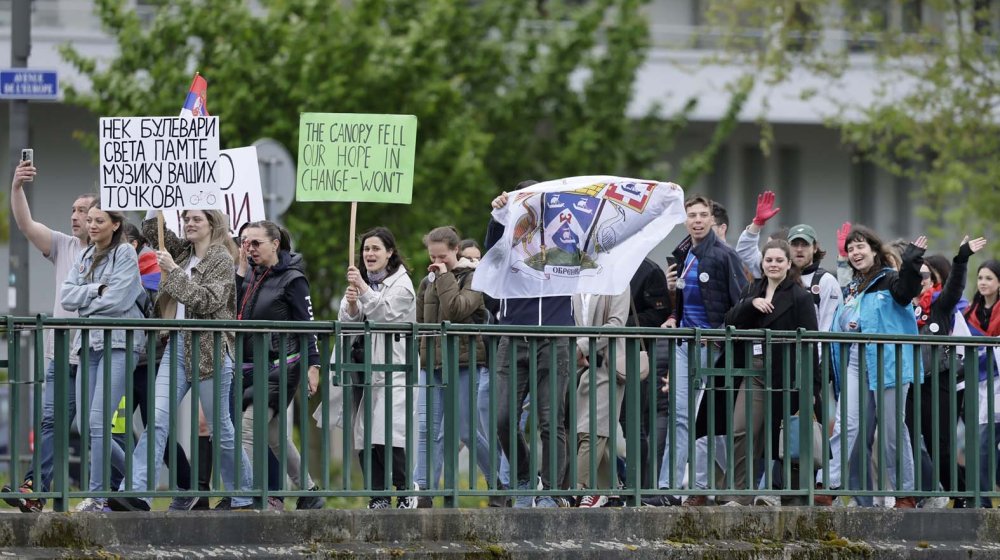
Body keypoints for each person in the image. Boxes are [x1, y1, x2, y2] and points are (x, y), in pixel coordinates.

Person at [108, 210, 252, 512]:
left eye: (196, 219)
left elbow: (207, 302)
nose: (188, 223)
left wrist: (173, 272)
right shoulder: (182, 252)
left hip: (210, 349)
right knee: (157, 420)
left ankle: (243, 495)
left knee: (220, 427)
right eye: (185, 218)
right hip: (176, 347)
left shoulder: (221, 259)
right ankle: (136, 492)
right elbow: (152, 227)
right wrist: (156, 202)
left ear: (212, 225)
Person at [2, 160, 95, 512]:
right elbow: (26, 225)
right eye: (72, 209)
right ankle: (36, 489)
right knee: (51, 421)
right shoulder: (62, 245)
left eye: (83, 210)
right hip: (62, 353)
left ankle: (123, 488)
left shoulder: (116, 254)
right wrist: (16, 188)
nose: (75, 216)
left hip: (99, 354)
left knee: (97, 428)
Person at [645, 195, 748, 507]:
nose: (698, 220)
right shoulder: (683, 253)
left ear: (713, 222)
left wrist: (718, 336)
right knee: (681, 417)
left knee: (708, 424)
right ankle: (670, 489)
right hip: (683, 344)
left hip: (712, 348)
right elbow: (684, 298)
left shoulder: (724, 255)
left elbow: (740, 303)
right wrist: (673, 317)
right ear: (685, 219)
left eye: (704, 215)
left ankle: (746, 484)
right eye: (692, 215)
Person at [814, 226, 925, 509]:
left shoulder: (889, 280)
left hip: (889, 359)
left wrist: (912, 260)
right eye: (851, 249)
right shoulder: (853, 286)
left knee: (891, 429)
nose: (855, 253)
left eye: (861, 246)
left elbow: (906, 291)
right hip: (856, 358)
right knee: (845, 424)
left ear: (874, 250)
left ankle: (904, 492)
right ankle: (828, 483)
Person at [712, 239, 822, 506]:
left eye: (779, 260)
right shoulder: (752, 289)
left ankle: (785, 494)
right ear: (762, 263)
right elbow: (729, 320)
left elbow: (810, 344)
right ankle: (736, 493)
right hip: (753, 371)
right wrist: (752, 304)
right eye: (769, 260)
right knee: (741, 429)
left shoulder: (800, 296)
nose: (773, 265)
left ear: (788, 264)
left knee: (780, 437)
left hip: (785, 376)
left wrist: (811, 387)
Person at [485, 186, 573, 508]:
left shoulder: (565, 233)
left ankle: (551, 492)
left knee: (551, 420)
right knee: (501, 417)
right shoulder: (509, 232)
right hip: (513, 336)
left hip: (554, 337)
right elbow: (491, 258)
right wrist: (497, 216)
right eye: (523, 202)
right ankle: (525, 476)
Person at [60, 200, 146, 512]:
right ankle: (140, 479)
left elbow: (120, 299)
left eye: (99, 220)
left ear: (115, 224)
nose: (92, 225)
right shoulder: (84, 255)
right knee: (85, 425)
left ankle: (96, 496)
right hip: (89, 345)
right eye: (90, 219)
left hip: (120, 344)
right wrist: (97, 291)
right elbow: (66, 296)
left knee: (98, 422)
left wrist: (86, 301)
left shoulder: (125, 253)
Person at [236, 220, 324, 511]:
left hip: (282, 364)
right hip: (251, 366)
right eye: (246, 243)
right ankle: (310, 492)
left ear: (275, 244)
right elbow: (236, 313)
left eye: (256, 243)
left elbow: (306, 325)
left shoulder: (293, 278)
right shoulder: (250, 275)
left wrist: (314, 365)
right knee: (274, 435)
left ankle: (243, 496)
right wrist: (239, 274)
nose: (250, 248)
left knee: (248, 428)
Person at [413, 226, 503, 507]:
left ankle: (499, 480)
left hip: (465, 363)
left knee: (466, 429)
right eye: (433, 256)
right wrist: (423, 354)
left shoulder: (474, 277)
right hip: (433, 365)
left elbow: (456, 309)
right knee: (428, 429)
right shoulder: (427, 281)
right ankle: (424, 490)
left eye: (443, 256)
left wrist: (445, 277)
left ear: (456, 251)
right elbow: (421, 322)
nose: (437, 261)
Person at [120, 223, 205, 510]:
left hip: (152, 358)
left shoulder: (153, 261)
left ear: (131, 244)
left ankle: (188, 486)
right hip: (124, 357)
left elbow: (150, 302)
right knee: (102, 425)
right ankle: (122, 487)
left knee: (154, 424)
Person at [905, 239, 985, 508]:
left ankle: (961, 494)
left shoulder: (939, 306)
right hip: (908, 382)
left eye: (926, 275)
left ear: (933, 280)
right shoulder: (902, 306)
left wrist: (961, 259)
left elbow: (955, 288)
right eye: (917, 275)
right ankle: (917, 494)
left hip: (938, 381)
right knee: (906, 441)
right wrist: (910, 257)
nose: (922, 279)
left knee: (939, 446)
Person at [340, 226, 417, 509]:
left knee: (388, 433)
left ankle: (406, 489)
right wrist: (350, 304)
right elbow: (348, 322)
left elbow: (385, 314)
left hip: (394, 367)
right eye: (366, 249)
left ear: (390, 253)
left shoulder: (402, 285)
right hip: (365, 369)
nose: (369, 254)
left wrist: (360, 288)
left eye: (375, 249)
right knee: (364, 437)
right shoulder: (362, 282)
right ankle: (378, 496)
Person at [573, 288, 630, 507]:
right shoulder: (578, 280)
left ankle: (574, 491)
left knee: (592, 431)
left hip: (609, 365)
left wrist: (581, 346)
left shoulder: (617, 282)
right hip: (586, 366)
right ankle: (611, 492)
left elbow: (615, 323)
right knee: (598, 432)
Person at [962, 259, 1000, 508]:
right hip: (979, 383)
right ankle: (982, 501)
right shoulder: (969, 313)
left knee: (988, 441)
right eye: (980, 278)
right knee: (982, 444)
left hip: (998, 381)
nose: (983, 283)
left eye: (989, 278)